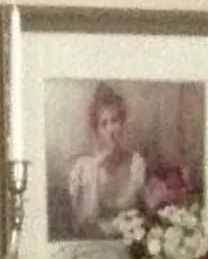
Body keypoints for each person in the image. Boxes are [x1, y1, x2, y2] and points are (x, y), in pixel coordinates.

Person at [63, 81, 148, 238]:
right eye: (104, 124)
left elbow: (139, 215)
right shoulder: (82, 168)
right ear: (96, 131)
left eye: (115, 120)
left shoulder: (136, 163)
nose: (111, 130)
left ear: (123, 123)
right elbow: (84, 221)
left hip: (128, 242)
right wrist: (96, 168)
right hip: (93, 242)